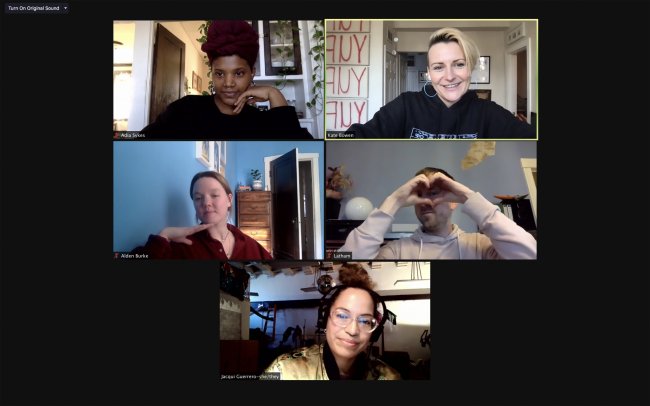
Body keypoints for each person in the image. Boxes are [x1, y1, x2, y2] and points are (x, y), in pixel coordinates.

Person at [345, 27, 535, 139]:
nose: (449, 76)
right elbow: (359, 135)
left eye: (459, 64)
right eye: (438, 67)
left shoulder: (489, 113)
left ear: (471, 68)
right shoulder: (406, 105)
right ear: (429, 73)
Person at [141, 20, 313, 139]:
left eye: (238, 73)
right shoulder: (185, 110)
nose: (228, 83)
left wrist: (274, 93)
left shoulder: (261, 122)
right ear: (212, 73)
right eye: (220, 74)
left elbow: (302, 148)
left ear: (251, 73)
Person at [338, 167, 537, 259]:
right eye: (419, 196)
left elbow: (530, 254)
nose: (426, 202)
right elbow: (346, 261)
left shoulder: (481, 245)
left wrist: (467, 196)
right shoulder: (395, 250)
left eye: (434, 194)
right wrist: (394, 201)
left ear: (453, 202)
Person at [263, 263, 401, 380]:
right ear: (325, 320)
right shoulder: (284, 371)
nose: (353, 330)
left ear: (374, 331)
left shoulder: (389, 377)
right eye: (342, 316)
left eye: (364, 321)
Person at [132, 171, 273, 260]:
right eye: (198, 198)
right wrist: (164, 234)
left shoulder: (249, 244)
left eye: (214, 195)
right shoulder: (182, 245)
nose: (206, 203)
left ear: (229, 200)